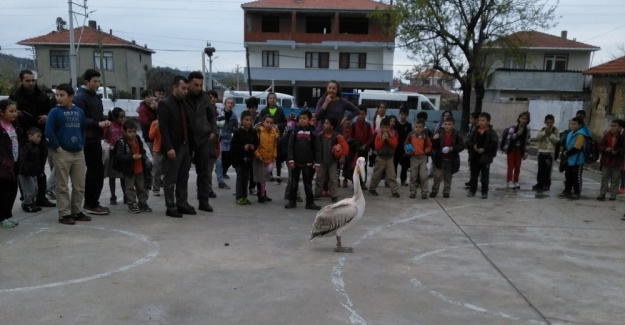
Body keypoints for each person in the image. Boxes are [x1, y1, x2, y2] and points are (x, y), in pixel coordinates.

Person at [45, 84, 91, 225]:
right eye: (57, 95)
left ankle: (76, 211)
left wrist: (81, 144)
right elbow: (49, 131)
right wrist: (57, 147)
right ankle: (64, 214)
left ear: (71, 97)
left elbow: (83, 129)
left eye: (62, 95)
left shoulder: (79, 112)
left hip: (78, 152)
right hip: (62, 152)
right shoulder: (54, 112)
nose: (59, 98)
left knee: (79, 185)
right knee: (62, 185)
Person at [9, 69, 56, 208]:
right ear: (21, 81)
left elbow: (51, 113)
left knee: (40, 169)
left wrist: (47, 117)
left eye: (33, 80)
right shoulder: (15, 96)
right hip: (23, 139)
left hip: (40, 137)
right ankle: (27, 199)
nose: (31, 83)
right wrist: (15, 114)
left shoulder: (42, 96)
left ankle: (41, 197)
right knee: (24, 170)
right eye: (27, 80)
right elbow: (9, 114)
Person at [73, 69, 110, 215]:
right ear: (86, 82)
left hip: (95, 138)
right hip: (87, 139)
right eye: (94, 81)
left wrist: (104, 121)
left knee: (97, 171)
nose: (97, 84)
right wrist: (97, 124)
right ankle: (90, 203)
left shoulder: (95, 97)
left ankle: (93, 201)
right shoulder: (80, 98)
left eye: (98, 81)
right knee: (94, 172)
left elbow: (97, 115)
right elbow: (80, 118)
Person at [159, 75, 195, 218]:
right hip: (173, 147)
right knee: (170, 178)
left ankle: (182, 203)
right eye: (183, 88)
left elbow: (188, 126)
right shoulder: (165, 104)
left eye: (187, 88)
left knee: (183, 177)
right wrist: (169, 148)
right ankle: (170, 206)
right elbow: (164, 128)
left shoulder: (184, 103)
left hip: (185, 146)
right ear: (174, 88)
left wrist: (190, 147)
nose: (186, 91)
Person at [185, 72, 218, 212]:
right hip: (186, 139)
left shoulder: (205, 97)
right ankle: (182, 202)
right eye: (195, 85)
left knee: (204, 173)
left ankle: (203, 201)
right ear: (189, 83)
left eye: (200, 85)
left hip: (203, 139)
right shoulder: (183, 97)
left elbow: (211, 116)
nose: (198, 87)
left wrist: (213, 131)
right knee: (183, 173)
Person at [285, 110, 321, 210]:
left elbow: (317, 149)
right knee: (294, 183)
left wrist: (317, 163)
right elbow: (290, 147)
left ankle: (310, 203)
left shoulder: (313, 133)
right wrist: (291, 160)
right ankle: (292, 201)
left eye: (304, 118)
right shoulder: (294, 132)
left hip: (308, 163)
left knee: (308, 184)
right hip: (295, 163)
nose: (302, 120)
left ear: (309, 120)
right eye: (300, 118)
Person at [113, 120, 152, 213]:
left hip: (140, 168)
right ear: (125, 132)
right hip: (129, 169)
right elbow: (119, 156)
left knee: (141, 187)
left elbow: (142, 150)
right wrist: (131, 157)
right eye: (130, 132)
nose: (132, 134)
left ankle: (142, 203)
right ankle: (132, 204)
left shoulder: (137, 139)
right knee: (130, 188)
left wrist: (143, 155)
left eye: (134, 131)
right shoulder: (122, 142)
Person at [314, 117, 349, 202]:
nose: (324, 125)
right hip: (322, 161)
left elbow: (345, 146)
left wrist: (343, 156)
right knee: (319, 178)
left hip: (333, 162)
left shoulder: (337, 136)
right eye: (324, 123)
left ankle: (334, 195)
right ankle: (317, 193)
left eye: (326, 123)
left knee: (333, 179)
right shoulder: (320, 135)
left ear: (332, 127)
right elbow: (316, 147)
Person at [465, 112, 499, 199]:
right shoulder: (475, 131)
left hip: (485, 158)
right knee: (474, 175)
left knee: (484, 176)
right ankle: (472, 190)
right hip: (475, 156)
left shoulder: (492, 132)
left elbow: (494, 144)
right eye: (479, 120)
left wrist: (484, 149)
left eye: (483, 120)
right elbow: (468, 141)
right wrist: (473, 146)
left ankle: (484, 191)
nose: (480, 122)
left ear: (488, 121)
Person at [430, 117, 464, 198]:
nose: (447, 126)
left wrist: (453, 148)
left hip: (451, 159)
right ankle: (434, 191)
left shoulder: (457, 134)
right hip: (440, 159)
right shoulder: (439, 133)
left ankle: (446, 191)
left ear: (453, 125)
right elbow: (434, 146)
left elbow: (462, 146)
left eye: (449, 124)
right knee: (437, 176)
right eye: (445, 124)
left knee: (448, 177)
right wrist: (434, 139)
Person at [0, 99, 21, 228]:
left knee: (13, 190)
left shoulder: (15, 125)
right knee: (3, 192)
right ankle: (2, 217)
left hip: (14, 162)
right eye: (11, 111)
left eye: (15, 111)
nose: (14, 114)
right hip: (3, 164)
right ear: (1, 112)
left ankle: (8, 215)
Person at [231, 111, 259, 205]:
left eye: (250, 120)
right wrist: (243, 147)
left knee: (246, 177)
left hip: (249, 159)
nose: (248, 122)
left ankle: (244, 196)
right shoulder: (238, 132)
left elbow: (256, 143)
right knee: (240, 177)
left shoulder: (253, 132)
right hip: (238, 159)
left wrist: (253, 147)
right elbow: (233, 146)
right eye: (246, 120)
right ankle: (239, 197)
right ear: (242, 120)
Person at [368, 117, 400, 198]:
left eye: (386, 127)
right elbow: (377, 147)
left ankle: (394, 191)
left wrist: (388, 139)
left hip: (389, 159)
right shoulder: (378, 135)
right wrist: (382, 139)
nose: (385, 129)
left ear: (389, 128)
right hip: (380, 158)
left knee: (392, 175)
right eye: (383, 127)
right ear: (380, 127)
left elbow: (395, 145)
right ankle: (372, 189)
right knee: (377, 174)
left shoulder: (392, 135)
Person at [260, 92, 287, 183]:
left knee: (278, 155)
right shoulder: (264, 111)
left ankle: (278, 174)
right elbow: (261, 123)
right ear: (268, 100)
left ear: (276, 100)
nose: (272, 100)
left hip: (277, 137)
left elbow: (285, 122)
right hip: (266, 137)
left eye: (274, 98)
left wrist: (277, 125)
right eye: (270, 98)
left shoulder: (280, 110)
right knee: (269, 155)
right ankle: (270, 174)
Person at [561, 116, 590, 199]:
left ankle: (577, 192)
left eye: (574, 124)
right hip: (570, 159)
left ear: (580, 125)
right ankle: (567, 190)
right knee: (568, 176)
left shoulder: (581, 134)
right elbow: (567, 144)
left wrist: (567, 153)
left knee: (577, 177)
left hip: (578, 159)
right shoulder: (570, 133)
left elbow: (577, 148)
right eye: (571, 124)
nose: (572, 125)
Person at [501, 111, 531, 190]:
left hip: (520, 149)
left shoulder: (527, 129)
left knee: (518, 166)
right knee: (511, 165)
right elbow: (510, 137)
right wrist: (518, 133)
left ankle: (515, 181)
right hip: (511, 148)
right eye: (522, 118)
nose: (523, 120)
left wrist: (526, 153)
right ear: (519, 118)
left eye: (525, 119)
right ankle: (509, 181)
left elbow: (527, 141)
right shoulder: (513, 127)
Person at [103, 107, 126, 205]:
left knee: (123, 176)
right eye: (121, 117)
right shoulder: (109, 126)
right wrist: (109, 146)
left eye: (124, 116)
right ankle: (113, 195)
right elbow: (104, 138)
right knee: (112, 177)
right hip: (112, 154)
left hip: (122, 154)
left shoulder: (125, 126)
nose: (123, 119)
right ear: (115, 117)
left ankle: (126, 195)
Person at [254, 114, 279, 203]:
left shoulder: (274, 133)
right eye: (267, 122)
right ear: (263, 122)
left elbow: (274, 145)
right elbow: (256, 145)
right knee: (260, 178)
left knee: (265, 178)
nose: (269, 124)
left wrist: (274, 156)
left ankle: (263, 194)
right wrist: (258, 155)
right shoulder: (259, 131)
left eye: (271, 123)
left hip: (269, 159)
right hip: (260, 158)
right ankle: (260, 195)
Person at [597, 119, 624, 201]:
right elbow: (600, 146)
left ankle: (613, 195)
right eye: (611, 125)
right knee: (604, 178)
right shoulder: (607, 136)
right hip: (606, 160)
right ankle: (602, 194)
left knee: (615, 179)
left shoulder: (622, 137)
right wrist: (605, 149)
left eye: (615, 126)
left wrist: (617, 151)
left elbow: (623, 148)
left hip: (616, 162)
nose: (612, 128)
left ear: (620, 128)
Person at [405, 119, 432, 199]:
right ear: (414, 128)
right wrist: (407, 150)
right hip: (414, 157)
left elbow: (429, 145)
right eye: (416, 127)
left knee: (423, 175)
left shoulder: (425, 137)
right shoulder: (411, 137)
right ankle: (413, 191)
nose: (418, 128)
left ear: (423, 128)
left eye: (420, 127)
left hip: (423, 157)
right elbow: (406, 144)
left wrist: (427, 149)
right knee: (413, 175)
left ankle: (424, 191)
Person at [19, 127, 43, 212]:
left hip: (33, 172)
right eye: (38, 136)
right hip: (25, 172)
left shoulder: (36, 147)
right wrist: (23, 169)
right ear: (30, 136)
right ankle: (26, 204)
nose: (39, 138)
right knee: (30, 190)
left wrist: (39, 170)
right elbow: (23, 159)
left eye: (40, 137)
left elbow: (36, 161)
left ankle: (30, 203)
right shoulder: (26, 146)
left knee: (35, 189)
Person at [216, 97, 238, 189]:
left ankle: (224, 172)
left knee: (229, 159)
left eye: (231, 103)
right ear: (225, 104)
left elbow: (236, 127)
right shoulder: (221, 114)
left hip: (230, 139)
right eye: (228, 103)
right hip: (221, 139)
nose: (230, 104)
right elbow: (218, 127)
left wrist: (235, 130)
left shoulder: (234, 116)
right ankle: (220, 180)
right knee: (220, 161)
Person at [533, 114, 559, 191]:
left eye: (551, 122)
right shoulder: (542, 129)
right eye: (548, 122)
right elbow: (538, 137)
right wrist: (545, 132)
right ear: (545, 122)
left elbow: (556, 140)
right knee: (540, 169)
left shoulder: (555, 130)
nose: (549, 124)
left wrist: (550, 134)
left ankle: (547, 184)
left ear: (553, 122)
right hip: (541, 152)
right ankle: (539, 183)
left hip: (549, 153)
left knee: (548, 170)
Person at [351, 105, 373, 187]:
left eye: (363, 114)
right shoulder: (353, 125)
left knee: (363, 167)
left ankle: (363, 182)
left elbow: (371, 137)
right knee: (355, 166)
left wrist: (366, 145)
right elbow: (351, 137)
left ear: (365, 115)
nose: (361, 116)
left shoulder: (368, 125)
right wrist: (356, 146)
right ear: (357, 115)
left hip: (364, 149)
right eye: (359, 114)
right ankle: (356, 183)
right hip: (355, 150)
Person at [245, 96, 261, 195]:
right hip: (246, 146)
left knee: (254, 169)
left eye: (253, 107)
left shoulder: (259, 118)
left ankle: (252, 187)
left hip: (256, 146)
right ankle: (243, 188)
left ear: (256, 107)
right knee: (246, 169)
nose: (251, 109)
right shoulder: (244, 116)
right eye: (250, 107)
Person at [394, 107, 412, 186]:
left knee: (404, 165)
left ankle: (403, 180)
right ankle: (393, 180)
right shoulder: (395, 124)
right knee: (394, 164)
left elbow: (410, 138)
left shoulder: (409, 125)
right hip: (396, 147)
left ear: (407, 115)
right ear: (399, 115)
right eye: (402, 114)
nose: (403, 116)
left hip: (405, 148)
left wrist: (409, 149)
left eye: (405, 115)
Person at [464, 111, 480, 187]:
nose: (470, 120)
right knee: (470, 166)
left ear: (476, 119)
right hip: (471, 149)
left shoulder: (478, 128)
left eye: (471, 118)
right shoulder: (472, 127)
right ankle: (471, 180)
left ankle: (474, 181)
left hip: (476, 150)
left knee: (475, 168)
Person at [149, 117, 163, 196]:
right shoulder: (154, 123)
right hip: (157, 150)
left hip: (167, 149)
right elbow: (151, 136)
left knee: (168, 170)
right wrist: (156, 127)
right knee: (157, 170)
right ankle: (156, 188)